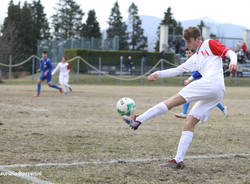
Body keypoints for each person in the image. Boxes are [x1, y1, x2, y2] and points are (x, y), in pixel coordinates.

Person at [123, 26, 237, 169]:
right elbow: (177, 70)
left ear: (197, 39)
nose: (187, 45)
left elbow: (230, 52)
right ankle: (178, 160)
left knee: (172, 101)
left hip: (212, 83)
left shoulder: (209, 43)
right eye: (185, 42)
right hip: (217, 91)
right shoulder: (195, 58)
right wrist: (158, 73)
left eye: (189, 42)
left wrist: (233, 61)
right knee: (189, 122)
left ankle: (138, 120)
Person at [175, 49, 228, 119]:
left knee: (188, 94)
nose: (188, 55)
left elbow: (198, 72)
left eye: (189, 53)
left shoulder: (198, 58)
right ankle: (223, 109)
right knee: (209, 98)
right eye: (186, 53)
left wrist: (189, 79)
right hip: (200, 82)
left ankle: (184, 113)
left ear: (193, 53)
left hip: (204, 82)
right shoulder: (191, 60)